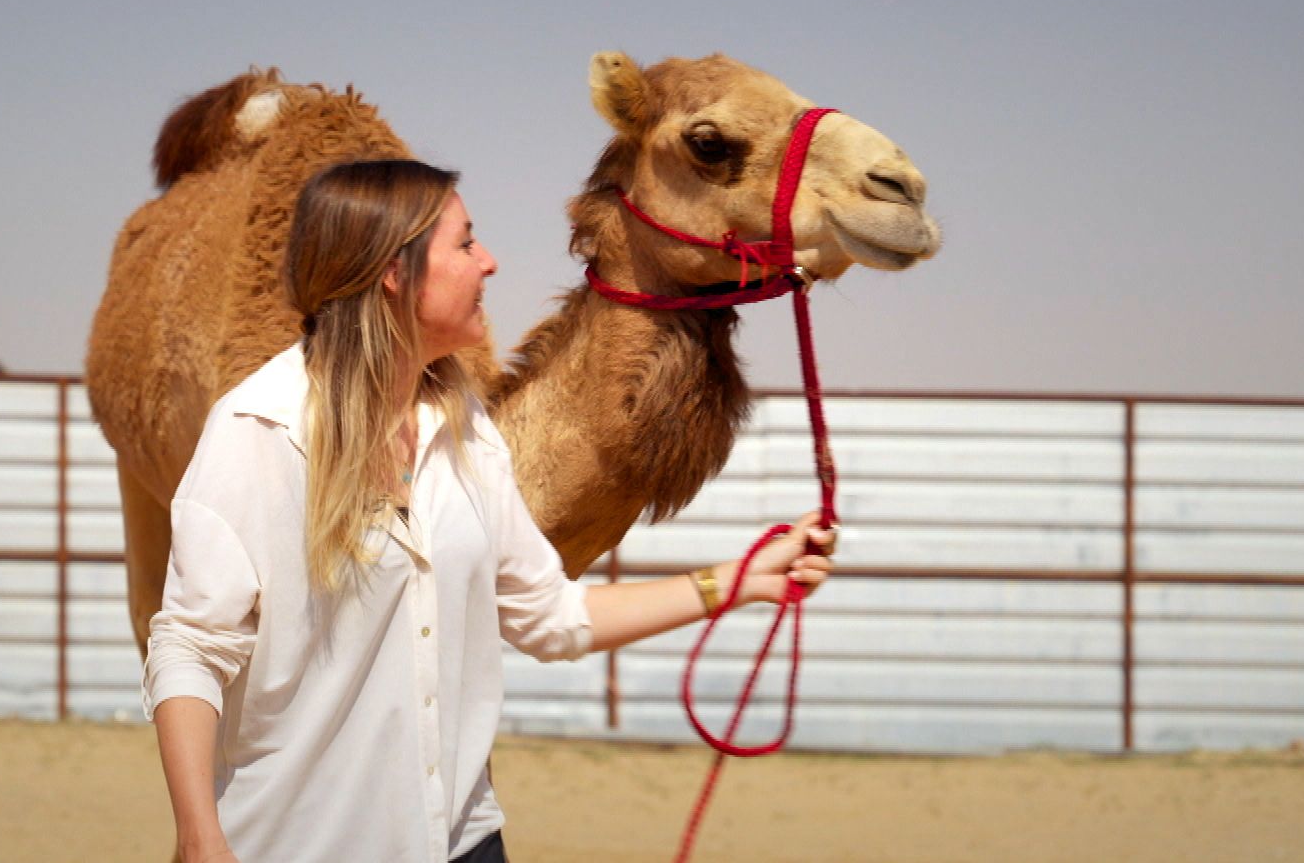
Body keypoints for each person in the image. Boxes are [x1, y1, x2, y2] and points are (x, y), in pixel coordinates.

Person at [145, 159, 836, 863]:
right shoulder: (258, 429)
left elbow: (550, 616)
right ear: (394, 272)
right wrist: (199, 836)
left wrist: (742, 581)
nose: (491, 263)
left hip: (464, 839)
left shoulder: (465, 427)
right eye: (466, 244)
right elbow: (192, 646)